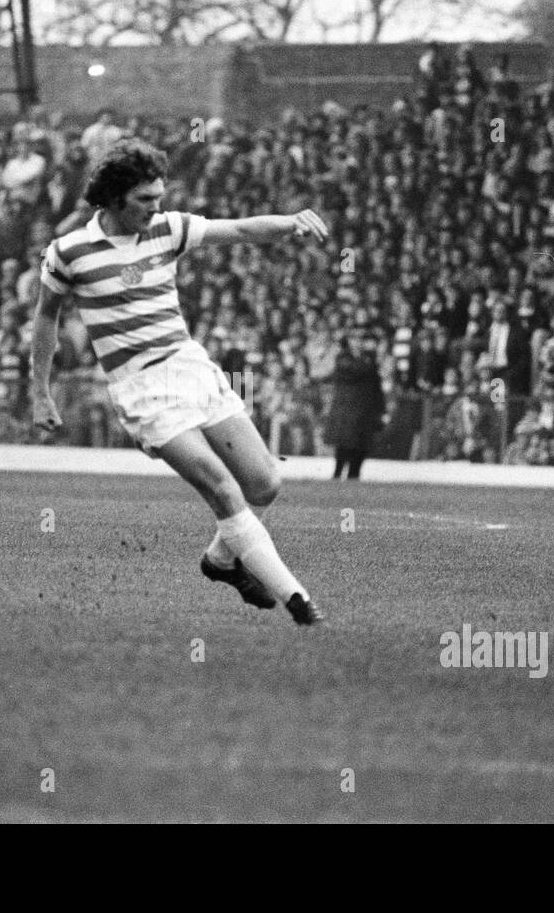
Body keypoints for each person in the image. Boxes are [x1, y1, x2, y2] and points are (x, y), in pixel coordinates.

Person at [30, 139, 328, 624]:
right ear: (116, 196)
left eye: (159, 196)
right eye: (146, 199)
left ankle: (220, 561)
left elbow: (240, 229)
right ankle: (300, 603)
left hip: (190, 368)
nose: (157, 207)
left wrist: (291, 221)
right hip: (141, 389)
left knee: (266, 483)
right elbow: (46, 318)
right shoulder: (69, 252)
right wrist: (39, 391)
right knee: (222, 488)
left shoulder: (169, 229)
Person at [325, 331, 386, 479]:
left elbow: (376, 387)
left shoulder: (369, 360)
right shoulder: (344, 358)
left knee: (361, 446)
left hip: (365, 409)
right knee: (344, 445)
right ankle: (338, 475)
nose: (358, 342)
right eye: (354, 339)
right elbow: (355, 371)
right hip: (347, 409)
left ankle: (354, 476)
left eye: (362, 339)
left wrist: (381, 409)